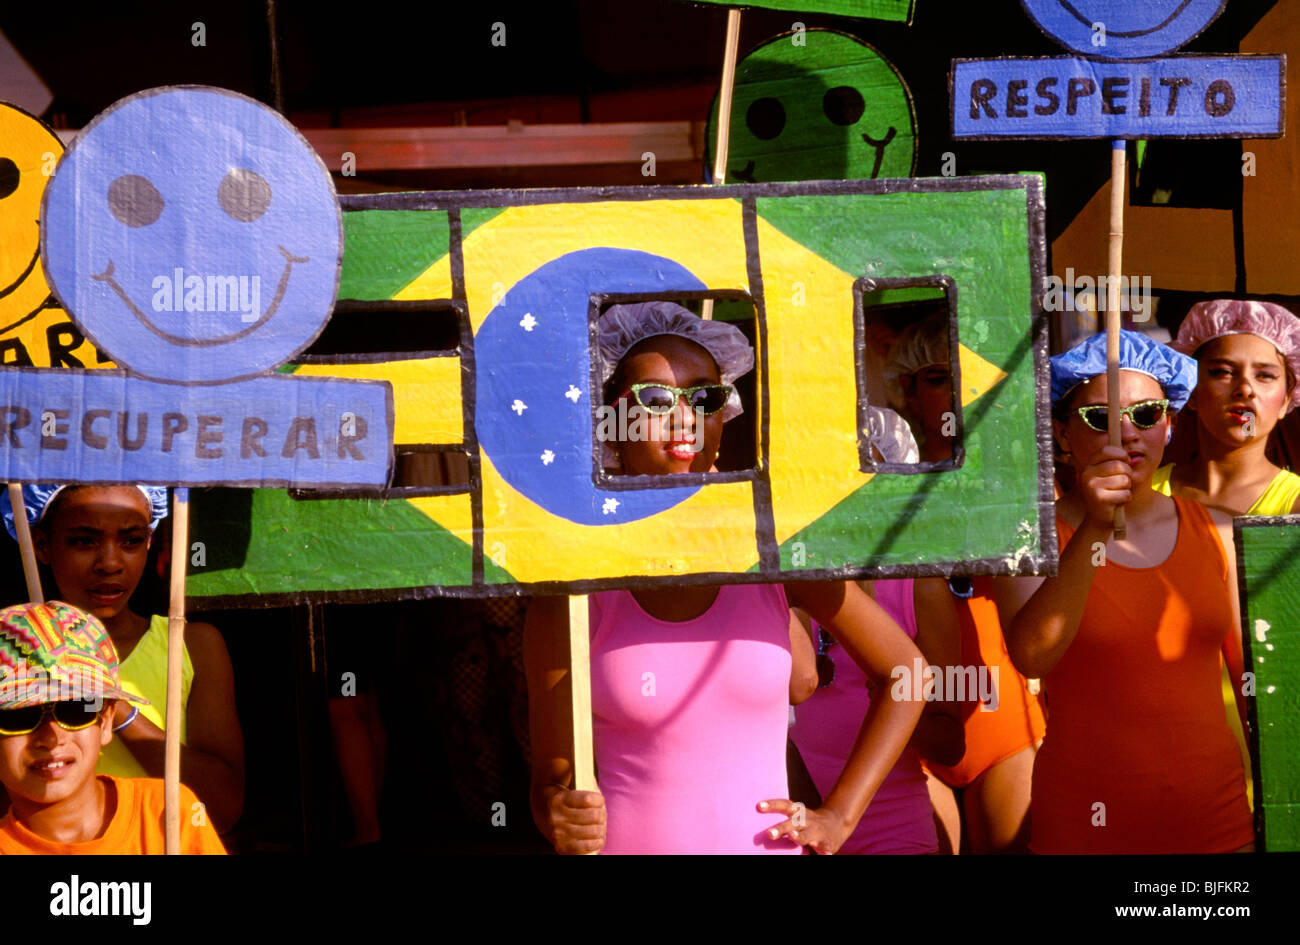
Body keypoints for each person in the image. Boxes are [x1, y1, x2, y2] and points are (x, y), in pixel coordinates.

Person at [526, 301, 926, 855]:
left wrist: (839, 817)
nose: (684, 414)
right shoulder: (572, 587)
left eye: (704, 396)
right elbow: (551, 782)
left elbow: (907, 672)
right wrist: (557, 814)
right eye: (656, 398)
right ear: (610, 422)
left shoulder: (773, 554)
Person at [993, 330, 1253, 853]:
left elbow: (1254, 686)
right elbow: (1033, 655)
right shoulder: (1027, 536)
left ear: (1170, 424)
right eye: (1099, 417)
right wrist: (1093, 527)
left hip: (1217, 823)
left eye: (1146, 414)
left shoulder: (1219, 532)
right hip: (1085, 827)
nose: (1127, 432)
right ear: (1063, 436)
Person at [884, 315, 1047, 854]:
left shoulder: (1020, 485)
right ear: (907, 389)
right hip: (910, 729)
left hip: (1005, 727)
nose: (957, 392)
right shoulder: (877, 491)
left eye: (969, 374)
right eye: (938, 377)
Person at [1, 484, 244, 834]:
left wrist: (111, 704)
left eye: (130, 541)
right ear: (41, 544)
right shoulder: (8, 655)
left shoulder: (191, 645)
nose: (110, 563)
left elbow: (220, 808)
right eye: (84, 541)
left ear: (150, 542)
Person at [0, 600, 226, 853]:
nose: (52, 738)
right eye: (20, 716)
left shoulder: (169, 812)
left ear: (106, 721)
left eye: (76, 710)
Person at [790, 577, 963, 854]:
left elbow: (951, 745)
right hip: (790, 829)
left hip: (895, 836)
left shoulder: (923, 588)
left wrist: (893, 693)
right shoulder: (774, 586)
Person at [1157, 298, 1300, 515]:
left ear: (1286, 401)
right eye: (1223, 372)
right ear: (1192, 391)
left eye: (1265, 375)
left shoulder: (1296, 506)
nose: (1245, 388)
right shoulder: (1142, 493)